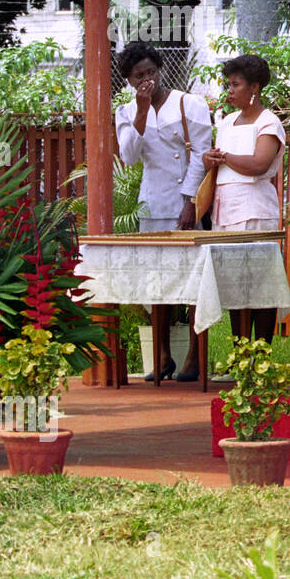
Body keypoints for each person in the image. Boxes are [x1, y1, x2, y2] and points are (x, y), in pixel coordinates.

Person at [114, 42, 212, 381]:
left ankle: (196, 357)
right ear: (128, 80)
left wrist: (190, 201)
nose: (147, 80)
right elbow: (128, 157)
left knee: (192, 282)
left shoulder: (189, 103)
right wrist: (141, 110)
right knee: (156, 284)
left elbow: (201, 153)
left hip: (186, 204)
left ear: (160, 70)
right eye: (138, 76)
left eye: (151, 72)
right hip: (152, 204)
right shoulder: (126, 112)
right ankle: (163, 354)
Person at [201, 54, 286, 343]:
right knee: (236, 283)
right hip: (225, 208)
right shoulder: (226, 122)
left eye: (236, 84)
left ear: (255, 88)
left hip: (254, 208)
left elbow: (259, 164)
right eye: (228, 84)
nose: (230, 90)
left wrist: (224, 157)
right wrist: (210, 159)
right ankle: (240, 349)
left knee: (259, 282)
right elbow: (222, 164)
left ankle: (260, 353)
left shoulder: (269, 123)